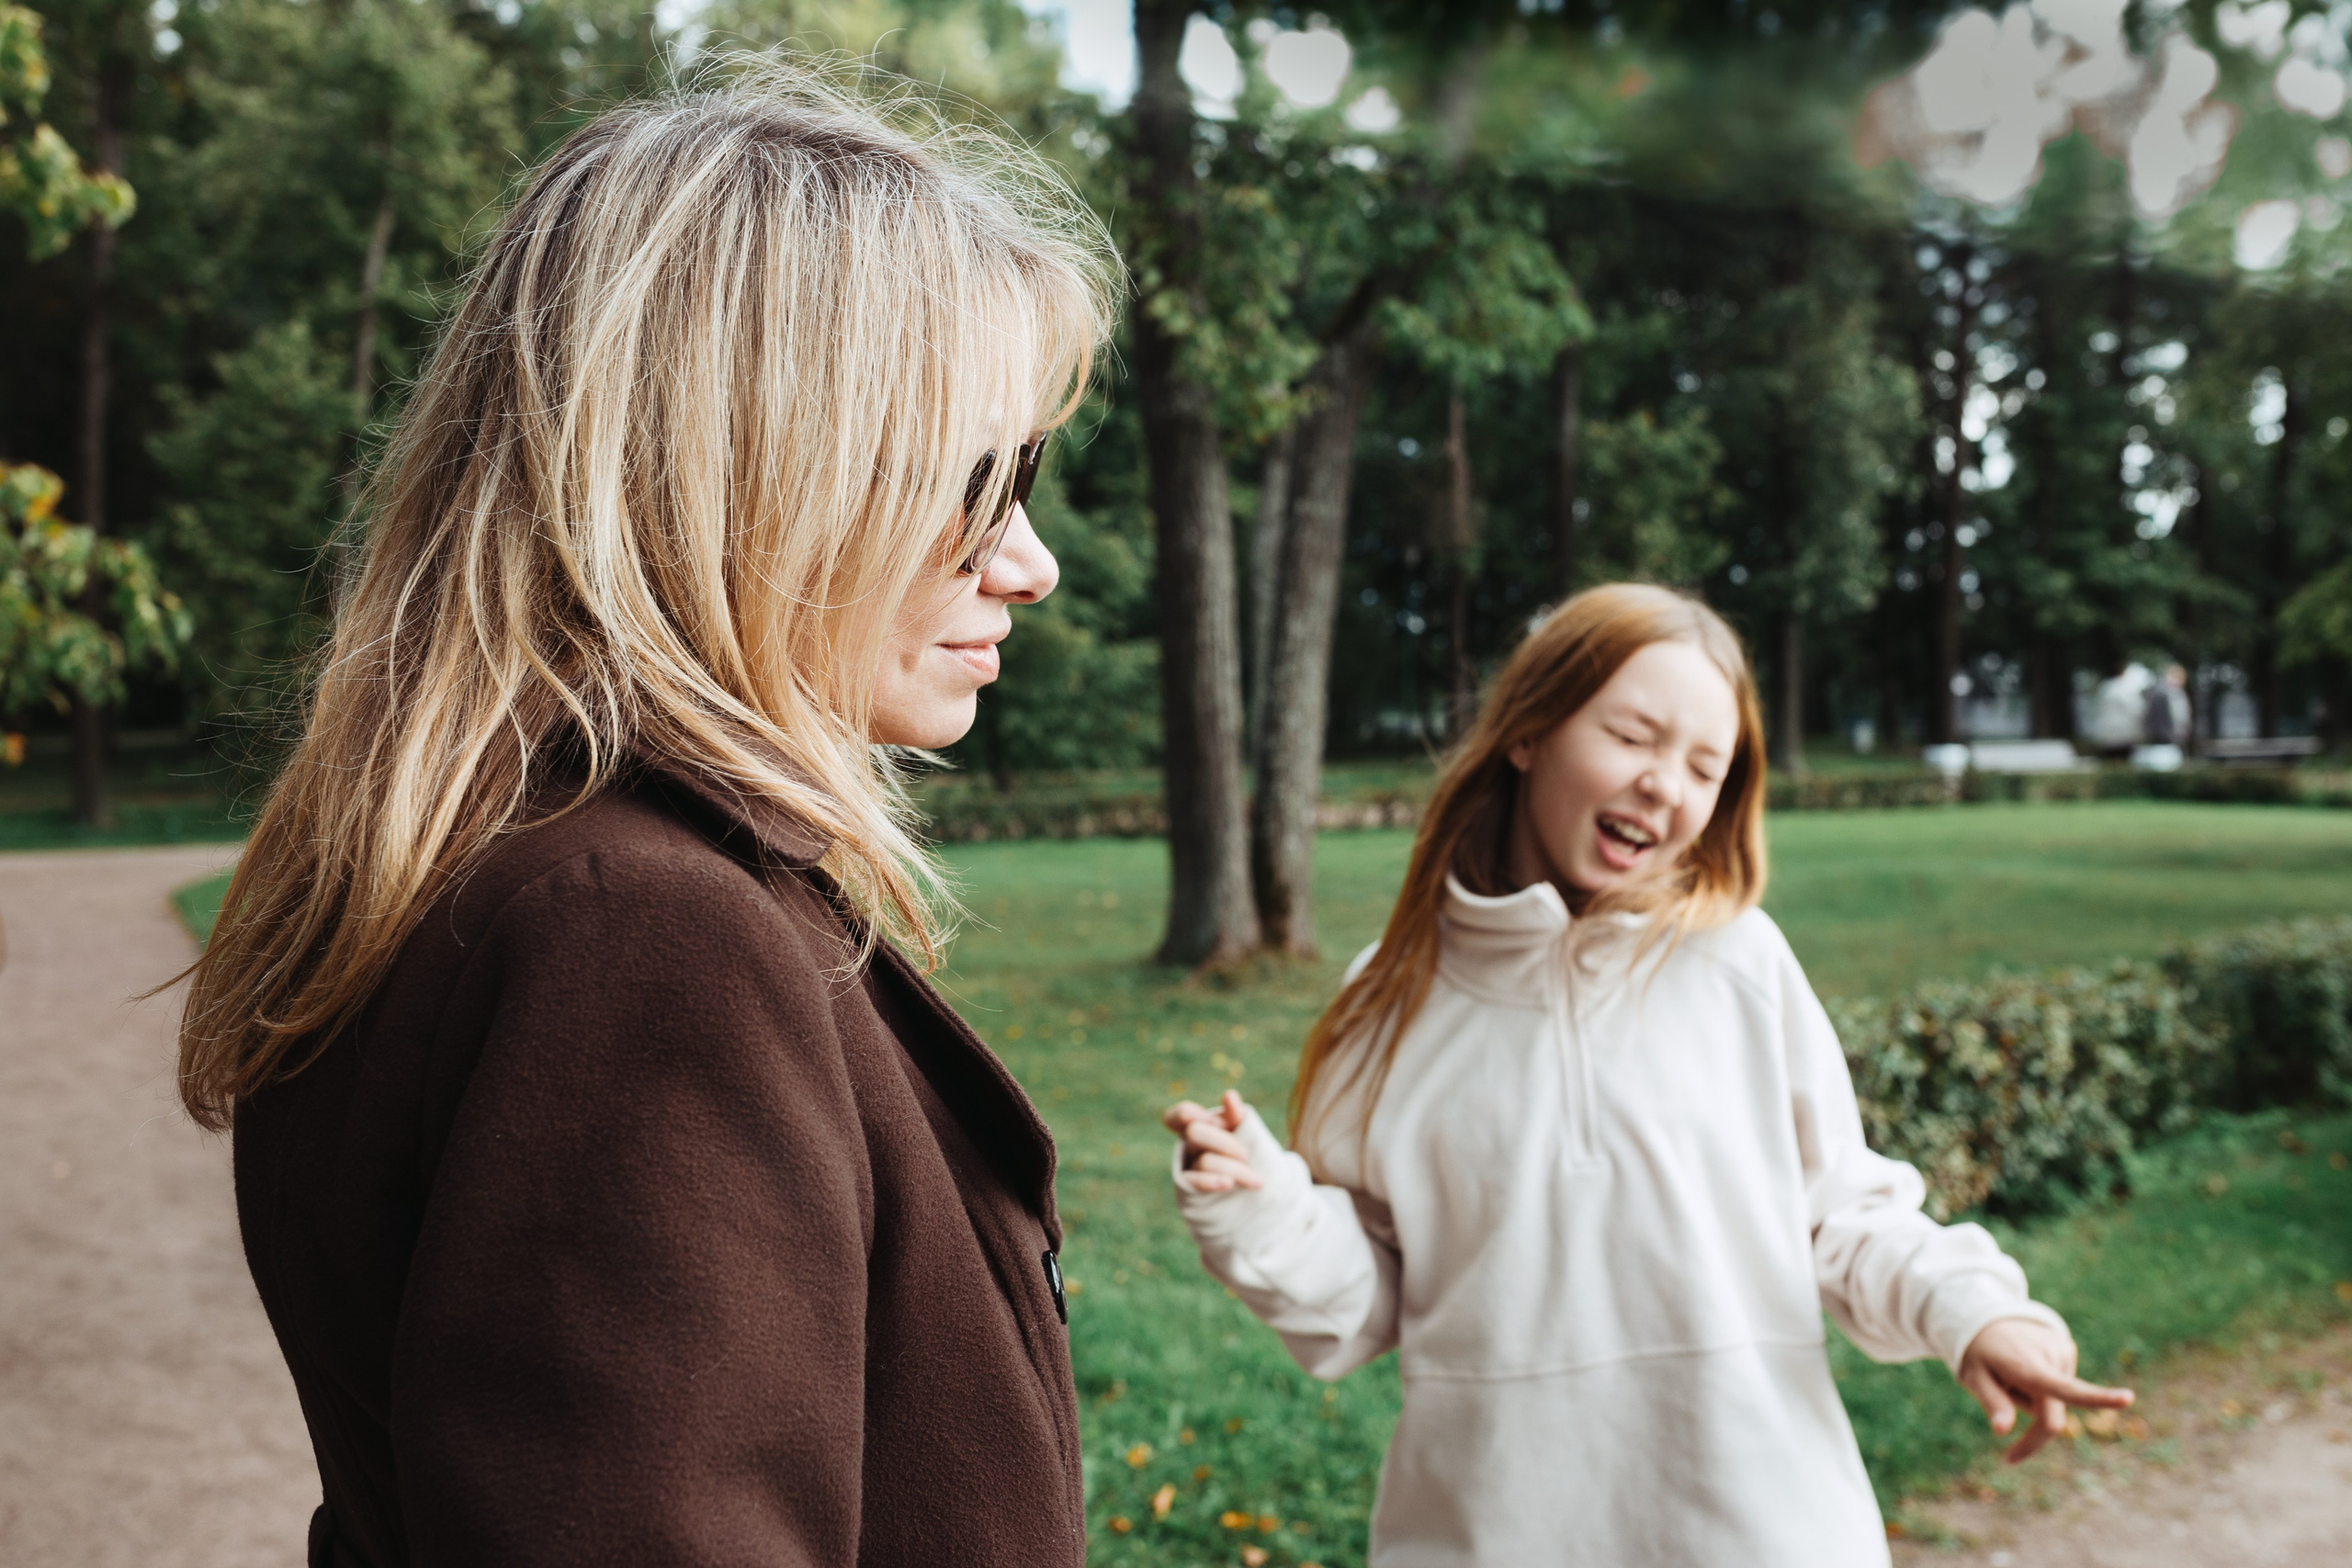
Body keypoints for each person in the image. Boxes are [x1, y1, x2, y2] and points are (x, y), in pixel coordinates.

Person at [175, 65, 1115, 1568]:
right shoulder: (642, 935)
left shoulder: (510, 864)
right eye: (979, 486)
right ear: (755, 474)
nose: (1031, 563)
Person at [1163, 585, 2132, 1567]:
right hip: (1486, 1537)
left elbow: (1844, 1219)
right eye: (1633, 736)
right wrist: (1266, 1210)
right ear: (1527, 730)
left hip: (1763, 1533)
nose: (1666, 785)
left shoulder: (1738, 966)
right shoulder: (1387, 1000)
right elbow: (1370, 1295)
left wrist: (1974, 1312)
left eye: (1703, 766)